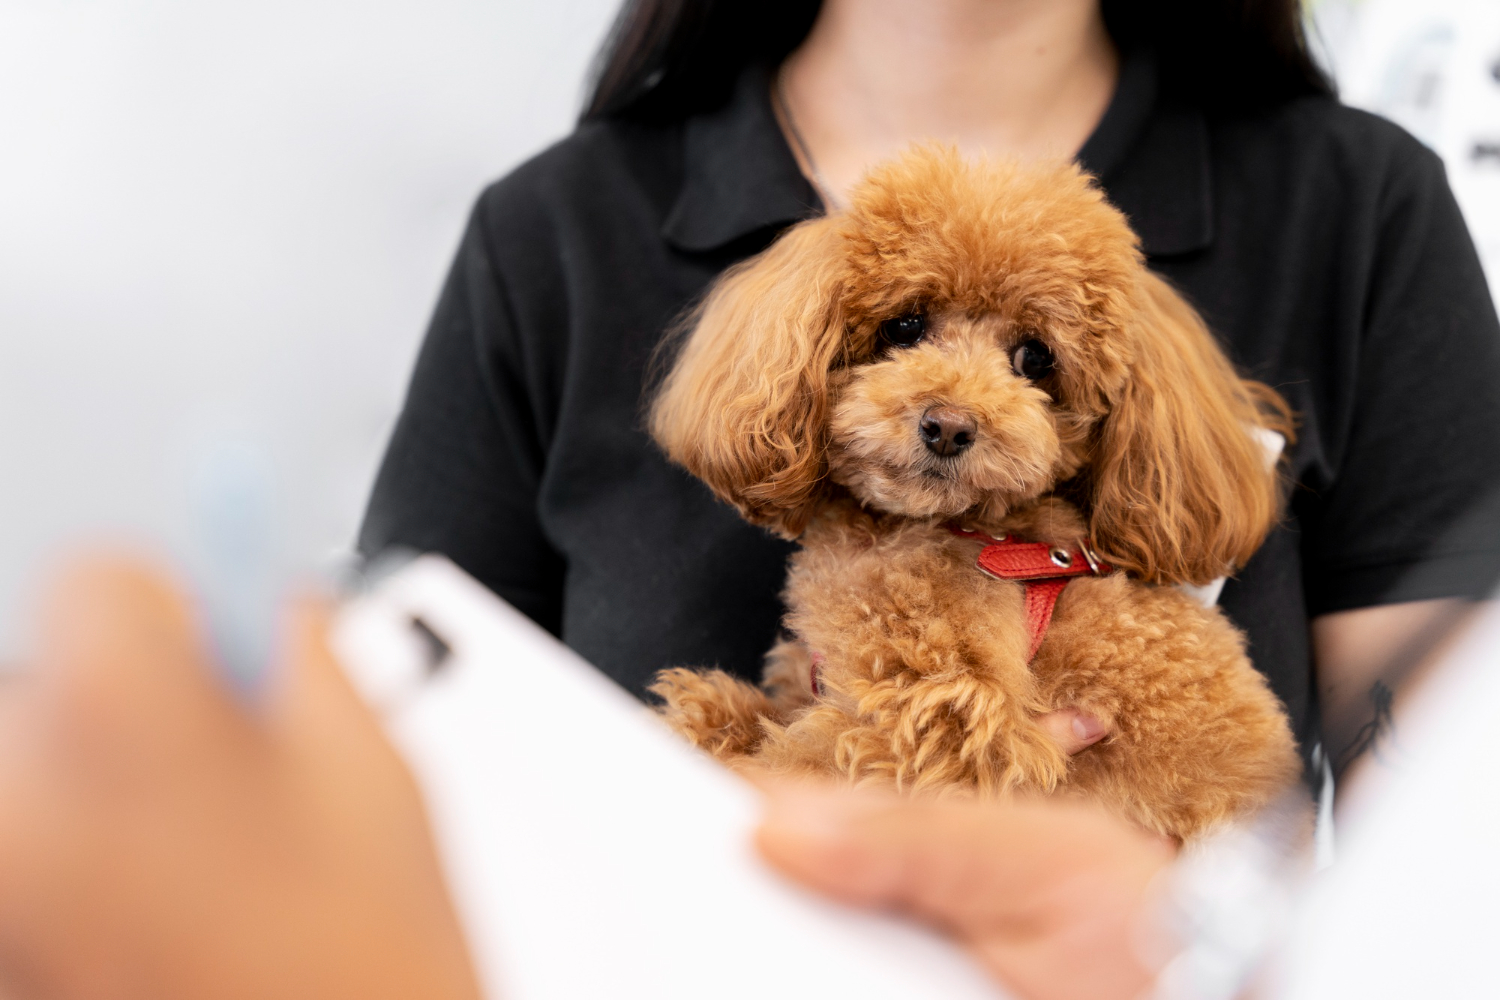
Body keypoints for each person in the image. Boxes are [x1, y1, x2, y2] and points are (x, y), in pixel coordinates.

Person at [358, 0, 1500, 789]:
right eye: (903, 330)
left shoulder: (1357, 212)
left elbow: (1448, 829)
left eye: (1033, 362)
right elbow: (402, 774)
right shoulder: (550, 238)